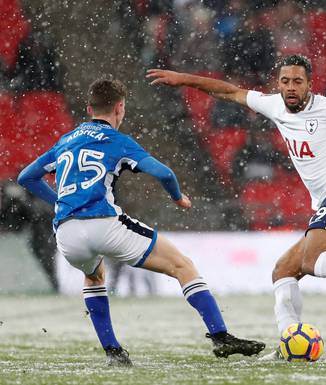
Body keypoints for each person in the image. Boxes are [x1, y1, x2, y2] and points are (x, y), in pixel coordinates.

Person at [147, 54, 326, 359]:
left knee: (312, 260)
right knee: (283, 271)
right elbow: (229, 92)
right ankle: (289, 343)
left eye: (297, 82)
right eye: (285, 81)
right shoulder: (274, 105)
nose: (290, 87)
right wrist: (184, 79)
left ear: (310, 85)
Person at [16, 78, 265, 366]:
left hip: (67, 234)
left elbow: (26, 177)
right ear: (120, 108)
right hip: (103, 224)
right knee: (182, 265)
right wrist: (177, 197)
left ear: (89, 109)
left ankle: (113, 352)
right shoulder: (119, 141)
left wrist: (58, 200)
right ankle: (221, 337)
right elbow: (164, 173)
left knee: (94, 276)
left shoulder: (65, 140)